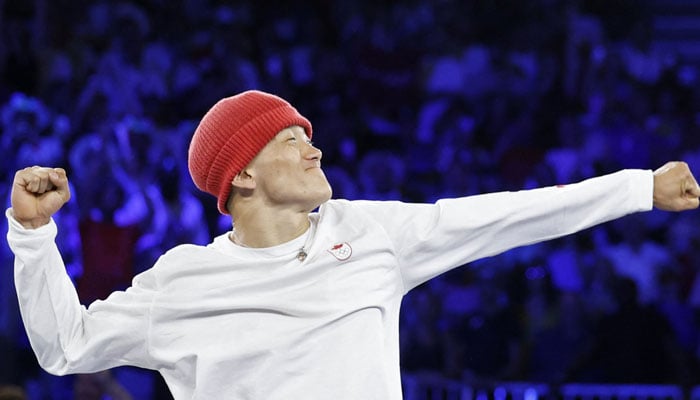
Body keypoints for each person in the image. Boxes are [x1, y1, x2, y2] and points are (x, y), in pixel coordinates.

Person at [6, 90, 700, 399]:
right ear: (241, 174)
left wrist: (640, 188)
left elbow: (507, 217)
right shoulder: (181, 282)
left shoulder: (369, 235)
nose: (315, 150)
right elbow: (67, 349)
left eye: (309, 136)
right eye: (291, 139)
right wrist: (34, 236)